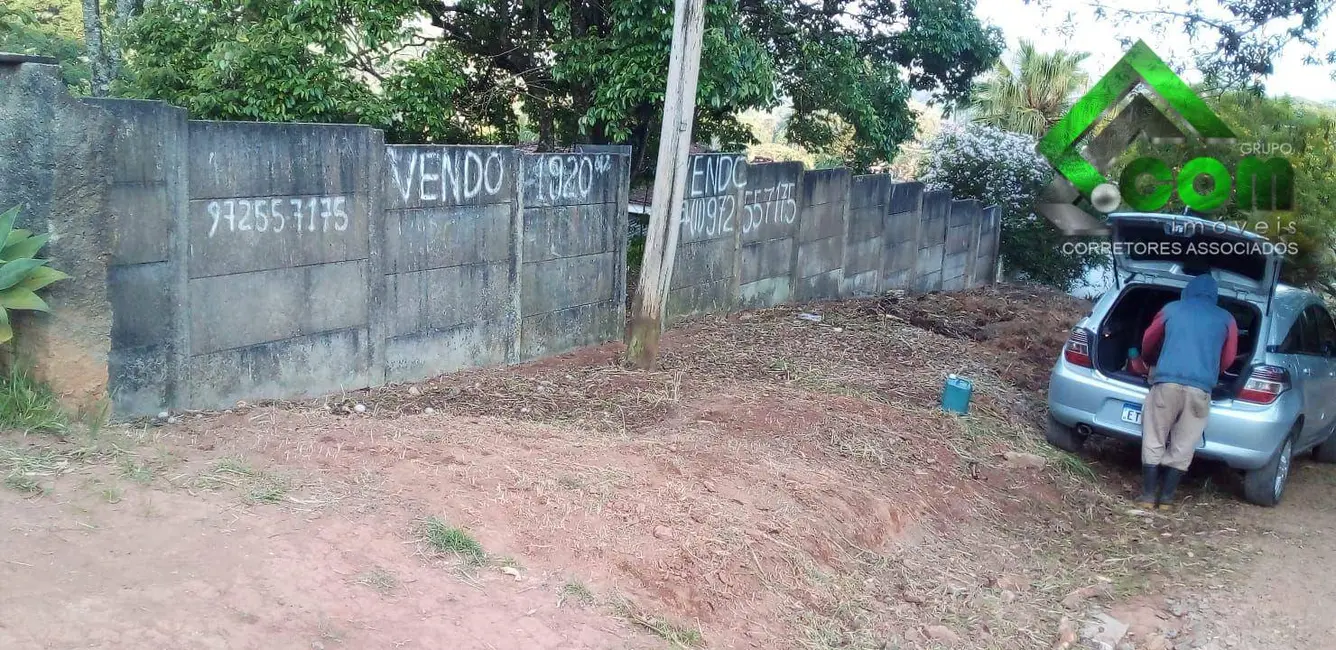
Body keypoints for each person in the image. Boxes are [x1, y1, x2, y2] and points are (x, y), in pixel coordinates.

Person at [1135, 274, 1238, 510]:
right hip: (1200, 390)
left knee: (1154, 435)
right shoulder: (1227, 319)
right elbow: (1229, 357)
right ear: (1214, 295)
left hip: (1166, 384)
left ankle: (1149, 497)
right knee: (1185, 442)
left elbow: (1149, 341)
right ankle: (1168, 500)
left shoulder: (1171, 309)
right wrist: (1210, 370)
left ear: (1188, 291)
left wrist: (1150, 360)